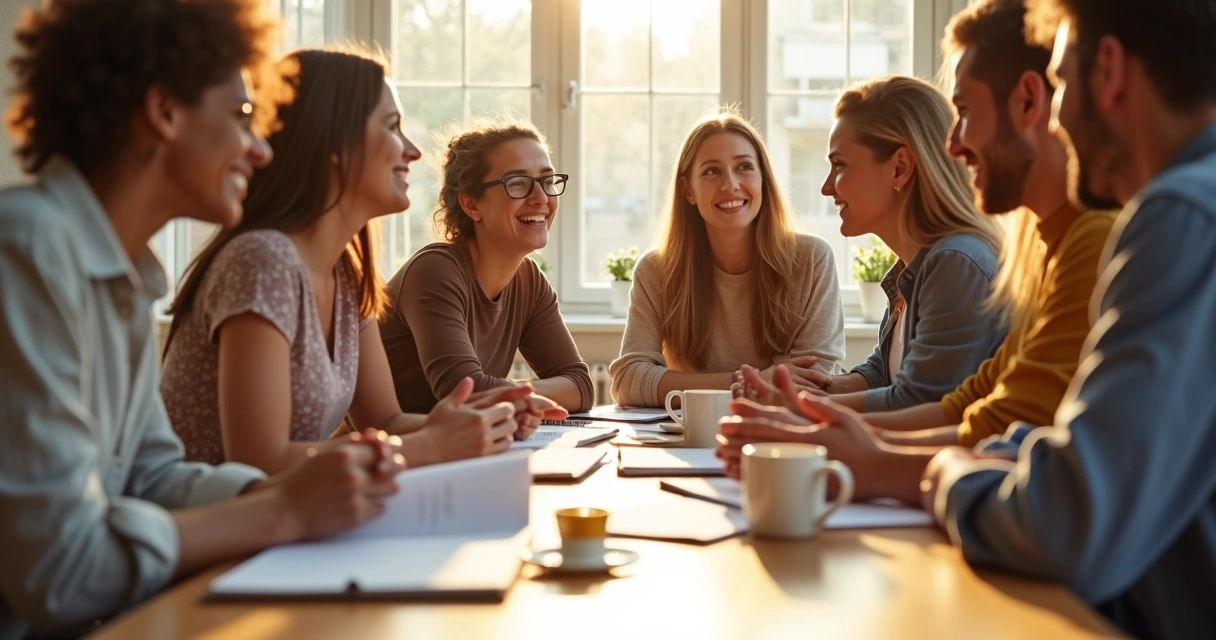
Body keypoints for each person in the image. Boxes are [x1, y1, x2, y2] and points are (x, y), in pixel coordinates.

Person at [721, 0, 1216, 636]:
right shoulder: (1093, 233)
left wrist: (940, 471)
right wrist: (869, 445)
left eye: (1062, 82)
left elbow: (1068, 521)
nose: (953, 146)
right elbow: (999, 414)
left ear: (1109, 72)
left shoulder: (1177, 215)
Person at [0, 2, 408, 638]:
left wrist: (295, 496)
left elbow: (150, 475)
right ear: (163, 113)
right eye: (242, 117)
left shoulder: (126, 275)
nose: (260, 149)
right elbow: (61, 569)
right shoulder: (26, 250)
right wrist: (282, 515)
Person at [740, 0, 1115, 450]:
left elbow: (963, 412)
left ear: (900, 169)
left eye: (839, 166)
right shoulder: (1008, 255)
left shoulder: (964, 259)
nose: (954, 145)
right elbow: (960, 401)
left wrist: (821, 428)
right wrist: (810, 405)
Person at [161, 47, 547, 474]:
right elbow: (258, 462)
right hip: (217, 530)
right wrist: (432, 446)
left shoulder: (346, 273)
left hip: (281, 524)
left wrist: (480, 422)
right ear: (333, 143)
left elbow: (385, 422)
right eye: (392, 128)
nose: (413, 151)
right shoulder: (263, 259)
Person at [744, 76, 1007, 413]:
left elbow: (918, 404)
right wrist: (801, 388)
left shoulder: (956, 264)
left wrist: (802, 406)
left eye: (839, 165)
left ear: (899, 168)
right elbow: (881, 374)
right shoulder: (913, 268)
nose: (826, 187)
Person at [609, 108, 846, 408]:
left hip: (781, 439)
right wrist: (751, 381)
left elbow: (812, 382)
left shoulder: (812, 259)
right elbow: (629, 381)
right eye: (711, 171)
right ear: (688, 190)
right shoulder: (656, 270)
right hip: (689, 439)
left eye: (744, 166)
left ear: (763, 180)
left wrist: (687, 386)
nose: (730, 184)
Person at [380, 116, 594, 415]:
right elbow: (462, 390)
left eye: (547, 181)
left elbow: (581, 387)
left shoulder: (529, 281)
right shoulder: (434, 271)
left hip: (464, 453)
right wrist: (516, 394)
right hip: (395, 455)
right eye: (518, 183)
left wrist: (501, 390)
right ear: (471, 205)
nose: (541, 197)